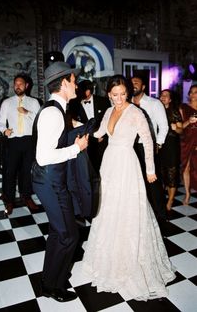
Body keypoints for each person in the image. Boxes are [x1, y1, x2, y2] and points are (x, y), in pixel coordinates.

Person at [82, 74, 176, 300]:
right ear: (108, 94)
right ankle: (110, 257)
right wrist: (77, 128)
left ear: (128, 93)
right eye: (115, 95)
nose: (119, 98)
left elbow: (147, 140)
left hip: (127, 164)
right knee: (108, 208)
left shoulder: (136, 112)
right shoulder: (107, 111)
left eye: (123, 94)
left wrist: (150, 170)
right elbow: (99, 134)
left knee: (129, 210)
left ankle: (131, 262)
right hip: (110, 163)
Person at [31, 61, 89, 302]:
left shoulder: (57, 110)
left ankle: (51, 277)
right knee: (69, 235)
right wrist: (76, 148)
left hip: (51, 181)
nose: (76, 83)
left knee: (58, 232)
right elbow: (44, 156)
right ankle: (51, 286)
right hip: (50, 182)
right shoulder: (53, 113)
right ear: (64, 83)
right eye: (74, 80)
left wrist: (74, 132)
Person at [0, 74, 40, 215]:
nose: (17, 86)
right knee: (10, 172)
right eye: (15, 84)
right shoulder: (7, 102)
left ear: (26, 86)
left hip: (29, 140)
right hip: (13, 140)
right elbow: (1, 122)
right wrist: (4, 130)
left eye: (20, 84)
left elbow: (40, 120)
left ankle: (26, 196)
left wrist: (27, 112)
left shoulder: (34, 102)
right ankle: (9, 200)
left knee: (27, 171)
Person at [131, 75, 168, 227]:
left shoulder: (154, 103)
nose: (133, 85)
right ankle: (140, 215)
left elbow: (163, 126)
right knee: (134, 182)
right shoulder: (126, 104)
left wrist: (157, 145)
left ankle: (160, 216)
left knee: (153, 183)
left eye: (136, 83)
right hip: (130, 147)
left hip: (147, 146)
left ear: (143, 87)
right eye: (131, 83)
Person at [69, 79, 111, 173]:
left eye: (82, 91)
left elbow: (109, 120)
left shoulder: (103, 101)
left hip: (103, 141)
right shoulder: (73, 104)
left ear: (89, 91)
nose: (79, 93)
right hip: (85, 141)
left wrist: (103, 135)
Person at [159, 89, 183, 211]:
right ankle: (163, 197)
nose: (163, 97)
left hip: (171, 146)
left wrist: (175, 128)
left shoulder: (174, 111)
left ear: (170, 99)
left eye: (166, 96)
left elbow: (181, 130)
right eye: (161, 95)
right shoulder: (157, 110)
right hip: (160, 146)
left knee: (172, 173)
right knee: (162, 173)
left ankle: (170, 200)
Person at [179, 84, 197, 205]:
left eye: (195, 92)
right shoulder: (183, 107)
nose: (192, 94)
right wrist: (188, 121)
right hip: (186, 141)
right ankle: (187, 193)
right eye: (191, 92)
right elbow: (180, 127)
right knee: (186, 167)